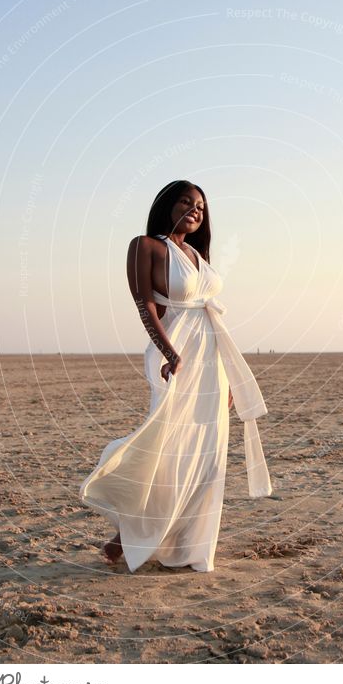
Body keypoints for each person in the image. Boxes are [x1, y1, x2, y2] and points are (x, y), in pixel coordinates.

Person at [79, 180, 272, 573]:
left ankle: (188, 545)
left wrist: (230, 378)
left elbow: (208, 314)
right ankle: (129, 532)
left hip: (211, 362)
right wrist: (169, 352)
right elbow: (144, 303)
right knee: (168, 446)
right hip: (177, 356)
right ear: (167, 204)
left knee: (206, 455)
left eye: (201, 205)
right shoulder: (146, 246)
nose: (195, 209)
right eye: (186, 200)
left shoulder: (199, 257)